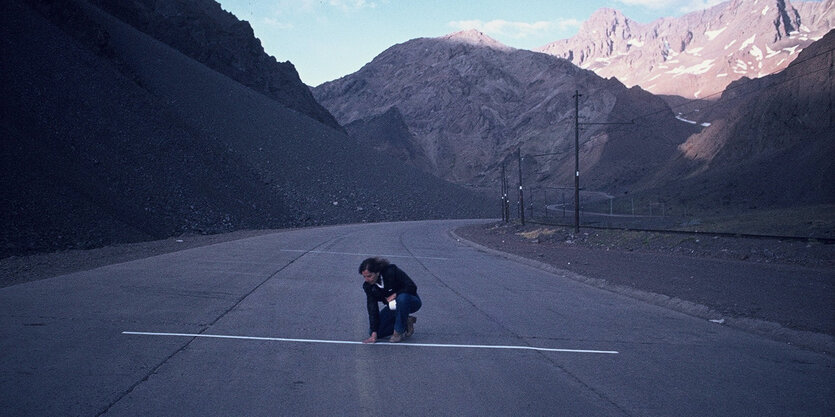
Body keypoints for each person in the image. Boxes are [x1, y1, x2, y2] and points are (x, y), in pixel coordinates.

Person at [359, 257, 422, 343]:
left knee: (402, 298)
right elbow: (372, 307)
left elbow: (412, 286)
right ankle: (406, 323)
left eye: (369, 276)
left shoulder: (392, 271)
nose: (367, 280)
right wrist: (374, 333)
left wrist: (396, 294)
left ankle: (398, 332)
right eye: (364, 277)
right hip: (393, 307)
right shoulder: (368, 286)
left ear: (377, 272)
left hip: (411, 301)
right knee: (375, 332)